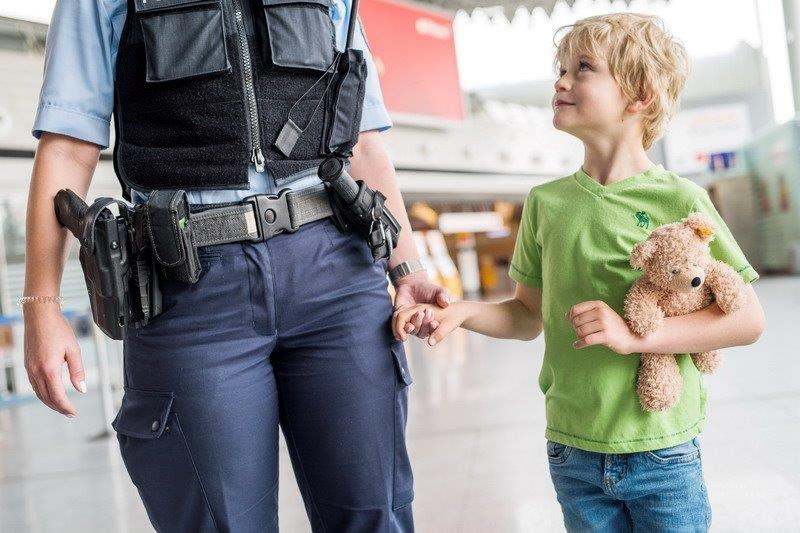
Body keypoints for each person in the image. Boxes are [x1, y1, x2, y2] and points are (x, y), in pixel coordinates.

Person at [22, 0, 448, 530]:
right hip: (188, 286)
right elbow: (66, 147)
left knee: (373, 514)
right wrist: (42, 304)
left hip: (335, 271)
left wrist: (407, 271)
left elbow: (361, 137)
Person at [393, 13, 766, 532]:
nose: (560, 80)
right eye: (559, 67)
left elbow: (746, 320)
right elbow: (526, 315)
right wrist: (463, 313)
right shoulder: (546, 204)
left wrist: (637, 338)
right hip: (572, 448)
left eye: (583, 67)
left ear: (640, 96)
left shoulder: (680, 200)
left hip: (662, 447)